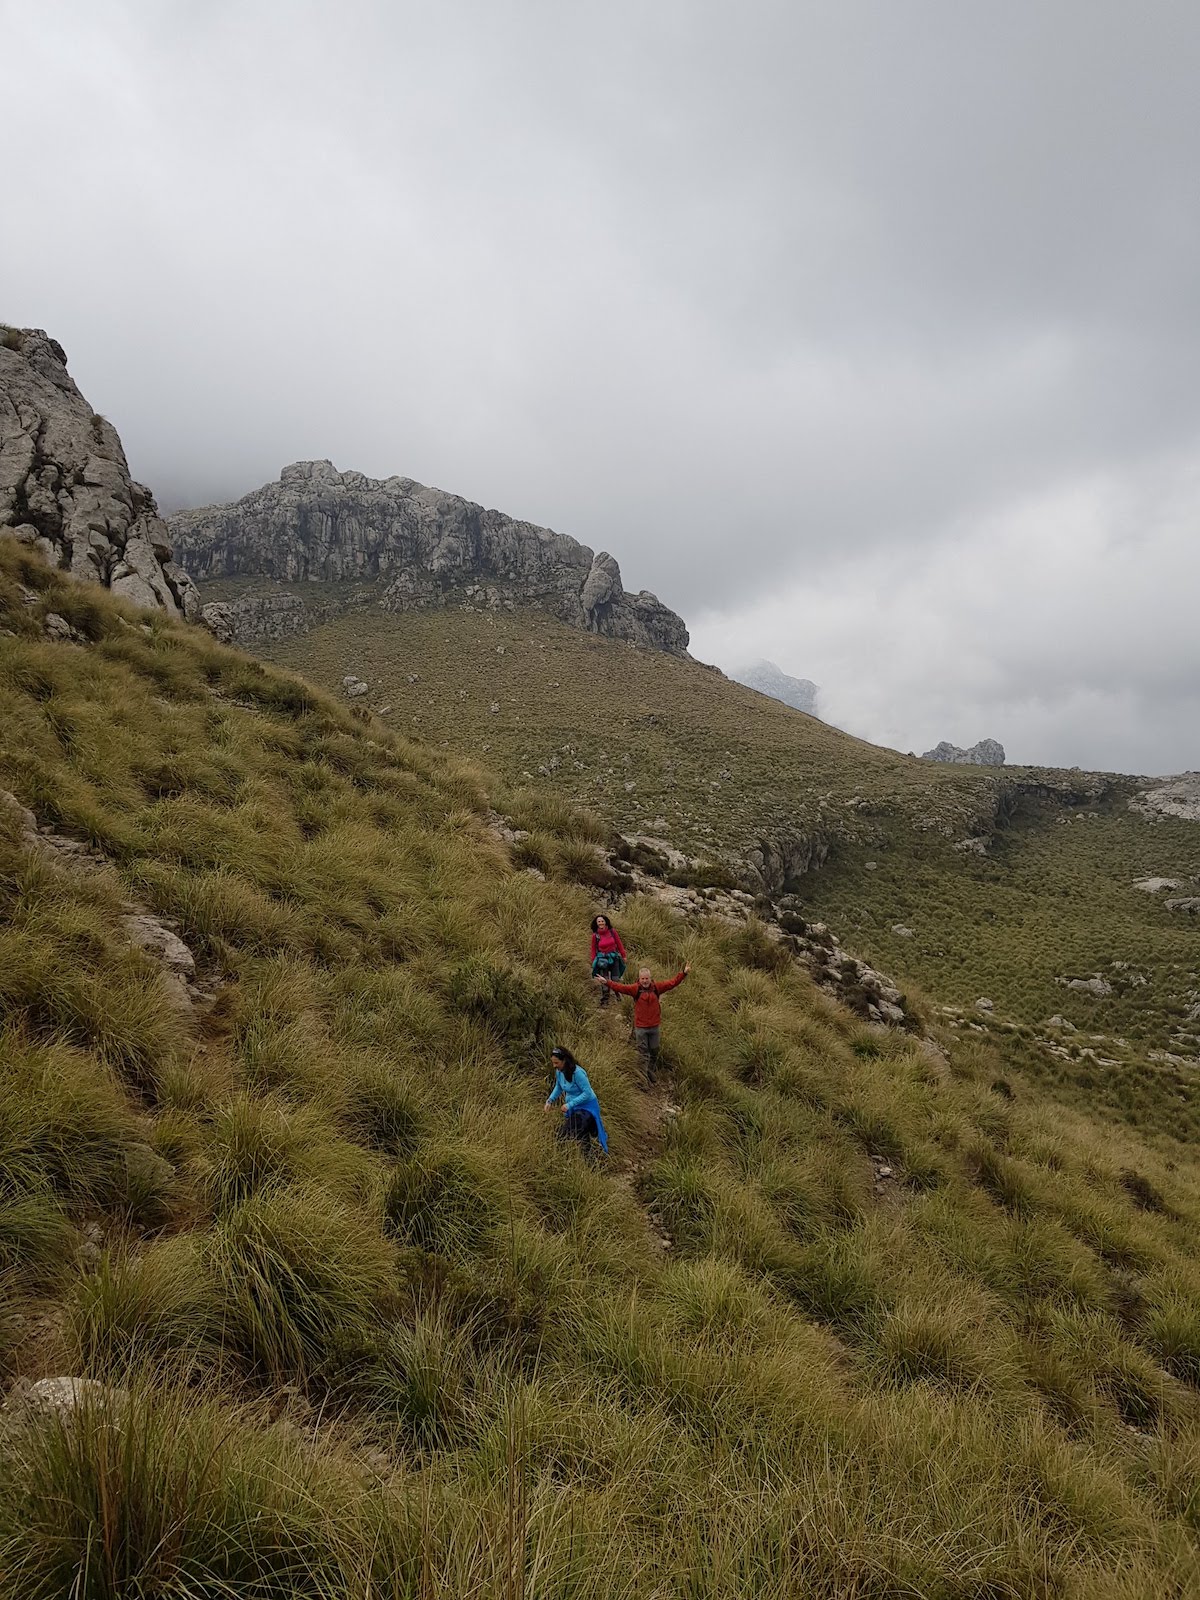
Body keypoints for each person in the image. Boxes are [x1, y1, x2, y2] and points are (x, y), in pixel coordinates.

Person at [597, 963, 690, 1082]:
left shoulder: (657, 987)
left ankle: (650, 1071)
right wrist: (607, 982)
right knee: (643, 1053)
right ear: (639, 979)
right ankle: (643, 1079)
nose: (645, 981)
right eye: (643, 979)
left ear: (650, 978)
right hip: (641, 1028)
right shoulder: (635, 989)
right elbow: (620, 987)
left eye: (647, 978)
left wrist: (684, 973)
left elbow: (672, 983)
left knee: (654, 1051)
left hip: (654, 1027)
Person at [544, 1046, 609, 1157]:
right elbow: (559, 1086)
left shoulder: (578, 1073)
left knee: (565, 1133)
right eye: (553, 1063)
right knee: (581, 1136)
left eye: (556, 1063)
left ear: (564, 1060)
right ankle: (591, 1161)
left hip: (587, 1107)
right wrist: (550, 1101)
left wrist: (570, 1104)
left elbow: (587, 1093)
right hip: (575, 1108)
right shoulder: (559, 1072)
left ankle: (562, 1157)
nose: (554, 1066)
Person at [590, 913, 627, 1006]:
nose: (601, 923)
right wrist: (593, 960)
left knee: (616, 979)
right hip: (602, 960)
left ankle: (619, 997)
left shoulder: (612, 931)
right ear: (596, 923)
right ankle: (605, 1001)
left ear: (605, 922)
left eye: (602, 921)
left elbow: (619, 943)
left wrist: (623, 955)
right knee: (604, 980)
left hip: (614, 957)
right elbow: (593, 949)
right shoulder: (595, 936)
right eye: (599, 921)